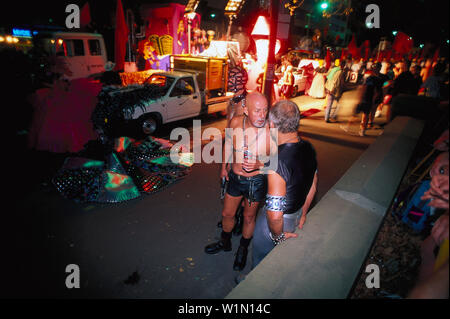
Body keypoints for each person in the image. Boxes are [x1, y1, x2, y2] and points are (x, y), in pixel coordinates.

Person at [205, 92, 272, 272]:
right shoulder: (235, 122)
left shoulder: (270, 130)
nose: (262, 115)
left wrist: (259, 163)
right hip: (235, 178)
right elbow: (228, 145)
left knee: (249, 217)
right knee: (227, 214)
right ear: (246, 110)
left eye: (265, 110)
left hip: (255, 182)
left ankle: (242, 249)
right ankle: (225, 241)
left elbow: (276, 163)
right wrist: (223, 167)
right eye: (257, 111)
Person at [252, 100, 318, 268]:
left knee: (261, 264)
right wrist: (302, 213)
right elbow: (312, 184)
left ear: (272, 124)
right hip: (296, 215)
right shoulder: (309, 148)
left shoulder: (277, 162)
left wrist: (277, 236)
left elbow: (274, 214)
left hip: (278, 224)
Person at [340, 62, 383, 136]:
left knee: (355, 114)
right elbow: (378, 91)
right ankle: (363, 131)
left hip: (364, 98)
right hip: (370, 99)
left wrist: (359, 98)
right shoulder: (379, 79)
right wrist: (373, 100)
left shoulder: (368, 78)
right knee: (366, 114)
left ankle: (348, 126)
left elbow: (363, 88)